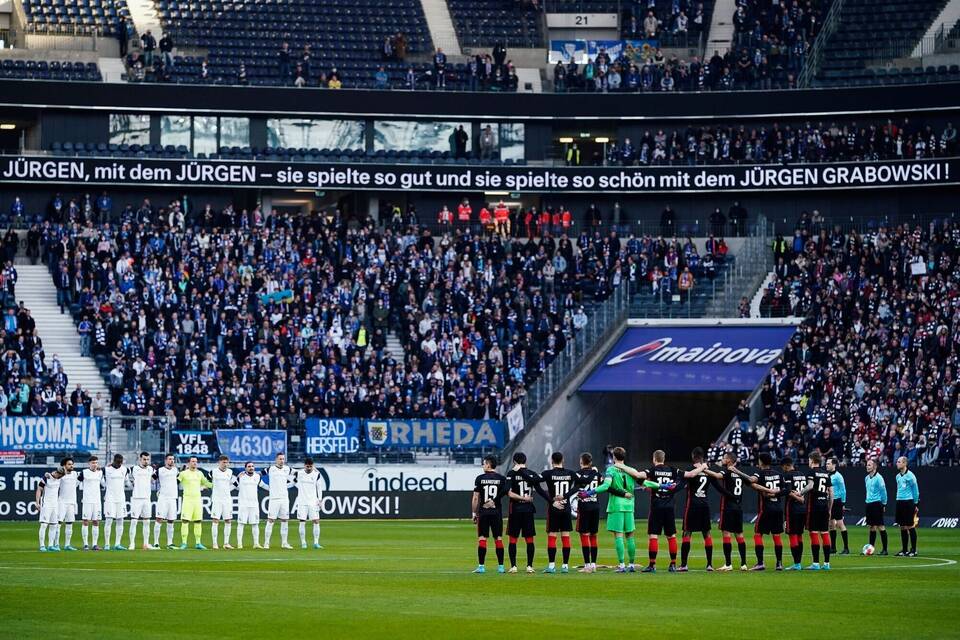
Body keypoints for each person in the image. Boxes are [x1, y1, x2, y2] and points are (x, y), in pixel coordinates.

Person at [625, 449, 701, 572]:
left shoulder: (652, 470)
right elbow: (691, 474)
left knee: (653, 535)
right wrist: (703, 467)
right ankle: (673, 564)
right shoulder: (672, 470)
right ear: (664, 459)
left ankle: (652, 565)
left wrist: (622, 467)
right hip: (669, 506)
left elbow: (638, 476)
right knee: (671, 536)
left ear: (654, 459)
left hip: (656, 506)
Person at [581, 446, 638, 572]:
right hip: (629, 505)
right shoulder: (631, 470)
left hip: (617, 505)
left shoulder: (611, 470)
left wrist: (589, 493)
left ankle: (622, 565)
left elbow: (606, 486)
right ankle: (632, 565)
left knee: (618, 535)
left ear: (613, 457)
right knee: (630, 536)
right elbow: (644, 482)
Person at [732, 452, 785, 570]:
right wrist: (776, 492)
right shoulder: (779, 474)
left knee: (757, 534)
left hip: (766, 509)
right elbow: (785, 489)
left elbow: (751, 480)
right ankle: (779, 563)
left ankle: (760, 563)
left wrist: (737, 472)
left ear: (760, 462)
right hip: (778, 509)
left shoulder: (760, 473)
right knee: (776, 536)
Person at [505, 452, 549, 573]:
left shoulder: (511, 473)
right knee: (529, 539)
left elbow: (507, 492)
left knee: (513, 538)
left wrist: (521, 498)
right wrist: (550, 501)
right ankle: (529, 566)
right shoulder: (532, 474)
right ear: (525, 461)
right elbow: (540, 490)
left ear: (514, 461)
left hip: (515, 509)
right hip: (528, 509)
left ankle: (513, 566)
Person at [539, 451, 578, 573]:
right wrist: (566, 496)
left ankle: (551, 566)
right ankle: (565, 566)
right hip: (566, 509)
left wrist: (551, 501)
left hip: (554, 508)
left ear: (552, 461)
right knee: (565, 536)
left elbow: (535, 482)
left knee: (552, 536)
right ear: (563, 460)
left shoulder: (548, 474)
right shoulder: (571, 473)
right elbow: (580, 484)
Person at [678, 447, 716, 571]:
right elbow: (718, 487)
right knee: (707, 534)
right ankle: (709, 565)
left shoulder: (690, 470)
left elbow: (681, 485)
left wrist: (669, 491)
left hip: (692, 505)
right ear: (702, 456)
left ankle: (684, 565)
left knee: (687, 533)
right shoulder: (708, 471)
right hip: (704, 506)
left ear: (693, 456)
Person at [795, 451, 834, 570]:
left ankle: (816, 563)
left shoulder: (812, 472)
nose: (808, 462)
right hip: (824, 506)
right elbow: (831, 492)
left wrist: (800, 492)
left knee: (814, 533)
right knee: (825, 533)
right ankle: (826, 563)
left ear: (812, 460)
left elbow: (810, 486)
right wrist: (830, 508)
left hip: (814, 506)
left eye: (809, 459)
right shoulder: (826, 474)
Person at [711, 452, 748, 571]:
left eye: (724, 458)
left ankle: (728, 564)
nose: (722, 459)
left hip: (728, 507)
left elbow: (717, 476)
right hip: (738, 507)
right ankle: (743, 564)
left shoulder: (727, 471)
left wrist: (704, 469)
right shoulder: (739, 473)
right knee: (739, 535)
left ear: (729, 460)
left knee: (726, 534)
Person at [471, 455, 508, 574]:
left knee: (482, 538)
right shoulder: (502, 479)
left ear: (488, 464)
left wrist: (474, 513)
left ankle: (481, 566)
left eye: (483, 463)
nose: (483, 466)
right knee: (498, 538)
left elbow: (476, 498)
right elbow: (507, 491)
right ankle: (501, 567)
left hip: (484, 512)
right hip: (496, 512)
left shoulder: (479, 478)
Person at [572, 452, 603, 573]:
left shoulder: (577, 474)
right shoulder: (597, 474)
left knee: (584, 535)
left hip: (584, 506)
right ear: (591, 462)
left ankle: (587, 565)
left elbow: (575, 489)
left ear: (581, 462)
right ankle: (594, 564)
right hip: (595, 505)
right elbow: (602, 483)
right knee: (593, 535)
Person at [177, 456, 213, 550]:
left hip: (197, 500)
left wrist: (217, 485)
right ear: (188, 463)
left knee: (198, 521)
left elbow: (206, 483)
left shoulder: (200, 473)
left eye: (196, 461)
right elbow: (174, 483)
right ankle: (184, 543)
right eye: (193, 461)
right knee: (185, 521)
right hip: (187, 500)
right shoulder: (183, 474)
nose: (195, 463)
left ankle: (198, 543)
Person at [263, 452, 294, 549]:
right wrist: (245, 474)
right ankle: (266, 543)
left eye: (283, 459)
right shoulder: (271, 469)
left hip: (284, 499)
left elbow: (298, 473)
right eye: (280, 459)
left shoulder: (287, 469)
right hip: (274, 499)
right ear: (276, 459)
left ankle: (284, 543)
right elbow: (258, 473)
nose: (282, 461)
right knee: (271, 520)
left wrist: (312, 469)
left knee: (284, 520)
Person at [781, 456, 807, 570]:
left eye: (783, 468)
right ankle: (798, 563)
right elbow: (804, 490)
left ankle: (796, 564)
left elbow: (787, 491)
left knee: (792, 534)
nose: (783, 470)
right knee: (799, 534)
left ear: (786, 466)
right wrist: (802, 498)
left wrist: (798, 498)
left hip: (792, 508)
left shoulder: (788, 475)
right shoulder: (801, 474)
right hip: (802, 509)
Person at [294, 458, 324, 549]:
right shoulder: (299, 473)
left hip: (313, 502)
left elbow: (319, 487)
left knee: (316, 521)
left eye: (311, 466)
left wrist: (320, 500)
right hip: (302, 502)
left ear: (313, 465)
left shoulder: (316, 474)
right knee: (302, 522)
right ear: (304, 465)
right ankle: (303, 543)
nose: (309, 468)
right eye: (307, 466)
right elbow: (293, 481)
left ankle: (316, 543)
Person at [894, 456, 920, 556]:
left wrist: (916, 504)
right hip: (899, 502)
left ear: (905, 463)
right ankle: (904, 550)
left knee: (910, 525)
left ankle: (913, 550)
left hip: (908, 502)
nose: (897, 463)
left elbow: (916, 491)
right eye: (897, 461)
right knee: (902, 526)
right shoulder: (897, 476)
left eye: (899, 462)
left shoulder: (911, 476)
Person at [129, 451, 154, 550]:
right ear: (140, 459)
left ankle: (146, 544)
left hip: (147, 498)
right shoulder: (134, 469)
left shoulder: (151, 469)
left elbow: (154, 477)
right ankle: (132, 544)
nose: (146, 461)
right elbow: (122, 470)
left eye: (148, 459)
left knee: (147, 522)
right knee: (134, 521)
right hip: (136, 499)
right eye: (144, 459)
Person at [103, 453, 128, 550]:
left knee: (120, 521)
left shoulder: (124, 469)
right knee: (109, 521)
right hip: (110, 499)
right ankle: (107, 544)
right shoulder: (106, 470)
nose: (119, 464)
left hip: (121, 499)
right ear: (113, 461)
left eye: (121, 463)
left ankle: (117, 544)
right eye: (118, 462)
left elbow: (126, 482)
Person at [154, 454, 179, 549]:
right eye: (170, 459)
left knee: (171, 520)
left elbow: (178, 480)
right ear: (166, 460)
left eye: (173, 459)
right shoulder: (160, 470)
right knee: (159, 519)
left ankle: (170, 543)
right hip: (163, 498)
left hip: (173, 498)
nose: (172, 461)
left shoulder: (176, 470)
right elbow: (152, 479)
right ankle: (156, 543)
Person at [37, 465, 65, 551]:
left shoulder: (59, 479)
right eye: (60, 475)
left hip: (55, 504)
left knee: (53, 525)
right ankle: (42, 545)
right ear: (57, 473)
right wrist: (37, 502)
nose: (61, 477)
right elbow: (39, 489)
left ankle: (50, 545)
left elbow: (70, 471)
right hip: (46, 504)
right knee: (44, 524)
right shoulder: (46, 477)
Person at [236, 461, 263, 549]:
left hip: (254, 504)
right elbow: (235, 486)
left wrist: (272, 490)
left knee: (255, 524)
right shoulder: (241, 476)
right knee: (241, 524)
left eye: (252, 466)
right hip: (243, 504)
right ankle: (239, 544)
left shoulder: (257, 476)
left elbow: (262, 485)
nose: (251, 467)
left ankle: (256, 543)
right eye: (249, 466)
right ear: (245, 468)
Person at [864, 458, 889, 555]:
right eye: (867, 464)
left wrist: (884, 504)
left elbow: (884, 492)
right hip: (869, 504)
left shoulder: (879, 478)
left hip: (877, 504)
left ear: (875, 466)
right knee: (872, 527)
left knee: (881, 526)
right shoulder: (866, 478)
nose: (867, 466)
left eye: (869, 465)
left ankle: (885, 550)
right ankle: (871, 549)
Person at [210, 454, 235, 550]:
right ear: (219, 462)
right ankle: (215, 543)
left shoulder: (230, 472)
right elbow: (207, 481)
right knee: (215, 520)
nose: (225, 464)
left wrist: (229, 490)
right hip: (217, 499)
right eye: (223, 462)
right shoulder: (213, 472)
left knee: (228, 521)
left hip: (227, 500)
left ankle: (226, 543)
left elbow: (234, 483)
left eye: (227, 462)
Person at [78, 456, 103, 550]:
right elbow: (76, 482)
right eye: (93, 463)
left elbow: (103, 484)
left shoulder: (100, 473)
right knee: (85, 521)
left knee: (96, 522)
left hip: (97, 501)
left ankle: (95, 544)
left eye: (96, 462)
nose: (95, 464)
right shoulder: (84, 472)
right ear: (89, 463)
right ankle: (85, 544)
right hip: (87, 501)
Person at [827, 457, 849, 555]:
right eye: (826, 463)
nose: (827, 465)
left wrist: (843, 503)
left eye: (828, 463)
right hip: (830, 501)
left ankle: (846, 548)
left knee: (840, 524)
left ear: (834, 465)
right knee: (831, 525)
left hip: (837, 501)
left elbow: (843, 490)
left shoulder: (838, 476)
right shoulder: (827, 475)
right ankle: (833, 548)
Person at [57, 457, 79, 551]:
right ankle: (56, 544)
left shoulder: (75, 474)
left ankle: (67, 545)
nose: (71, 466)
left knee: (69, 523)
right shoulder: (60, 475)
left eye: (72, 464)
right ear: (64, 465)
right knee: (58, 524)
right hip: (62, 502)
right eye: (69, 464)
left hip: (71, 502)